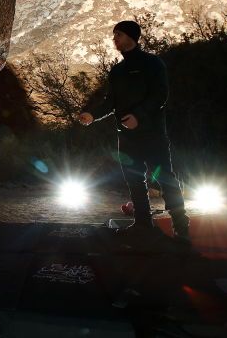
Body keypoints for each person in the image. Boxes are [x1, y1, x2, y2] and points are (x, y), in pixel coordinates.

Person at [77, 20, 190, 241]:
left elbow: (160, 96)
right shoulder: (117, 71)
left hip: (153, 134)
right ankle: (143, 225)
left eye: (118, 34)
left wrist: (139, 116)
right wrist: (92, 115)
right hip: (126, 137)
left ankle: (181, 226)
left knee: (165, 178)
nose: (114, 39)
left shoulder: (152, 63)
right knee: (134, 180)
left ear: (131, 36)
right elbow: (110, 102)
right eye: (114, 35)